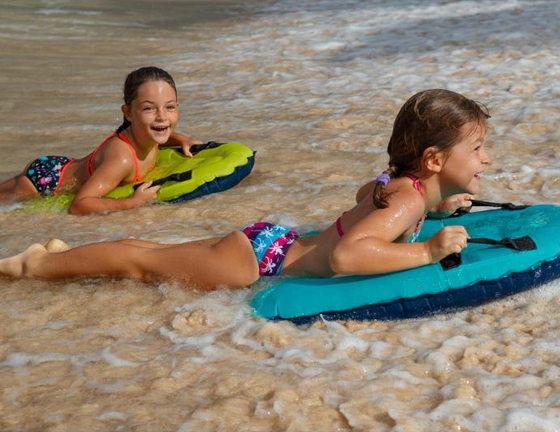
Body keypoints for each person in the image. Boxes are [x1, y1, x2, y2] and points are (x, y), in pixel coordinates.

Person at [0, 89, 491, 289]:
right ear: (433, 159)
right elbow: (348, 256)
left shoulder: (406, 189)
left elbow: (369, 196)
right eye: (477, 148)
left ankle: (64, 253)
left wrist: (438, 206)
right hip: (261, 262)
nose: (485, 159)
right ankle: (35, 264)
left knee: (152, 251)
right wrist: (426, 251)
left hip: (269, 244)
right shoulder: (408, 197)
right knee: (140, 263)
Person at [0, 66, 200, 215]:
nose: (162, 117)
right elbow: (79, 205)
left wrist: (181, 138)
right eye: (149, 108)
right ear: (128, 113)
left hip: (62, 166)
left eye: (170, 107)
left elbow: (155, 134)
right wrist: (132, 203)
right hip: (46, 182)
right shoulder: (122, 160)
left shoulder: (148, 134)